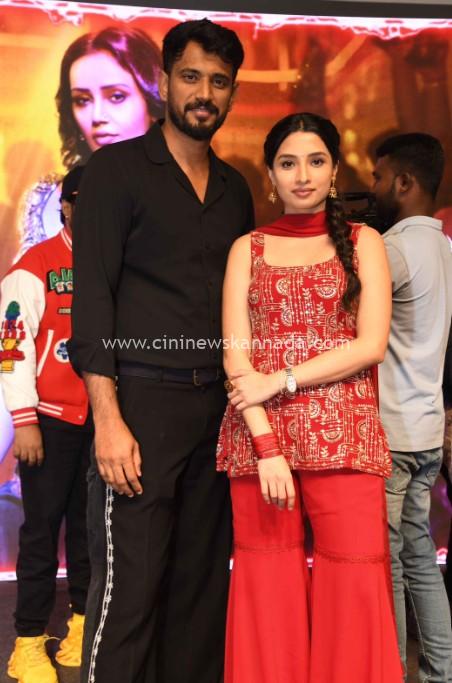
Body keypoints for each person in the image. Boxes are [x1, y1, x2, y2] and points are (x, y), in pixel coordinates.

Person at [67, 18, 254, 683]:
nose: (204, 93)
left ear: (231, 93)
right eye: (191, 76)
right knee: (129, 593)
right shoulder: (115, 171)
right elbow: (93, 300)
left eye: (219, 82)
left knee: (199, 592)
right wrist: (108, 419)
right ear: (165, 81)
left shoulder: (235, 189)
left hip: (218, 413)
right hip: (140, 405)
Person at [216, 112, 403, 683]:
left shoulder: (365, 242)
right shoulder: (246, 248)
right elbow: (236, 358)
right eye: (288, 163)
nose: (303, 176)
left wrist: (280, 379)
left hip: (347, 438)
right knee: (266, 588)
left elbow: (370, 345)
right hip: (259, 443)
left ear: (334, 169)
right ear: (271, 174)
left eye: (316, 161)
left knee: (354, 587)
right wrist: (267, 446)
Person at [0, 166, 93, 683]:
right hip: (49, 424)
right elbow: (11, 349)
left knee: (89, 531)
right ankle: (29, 642)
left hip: (101, 423)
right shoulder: (34, 266)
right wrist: (25, 422)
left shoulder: (117, 264)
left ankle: (81, 623)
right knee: (39, 535)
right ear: (66, 206)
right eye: (83, 200)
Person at [373, 133, 452, 682]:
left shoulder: (393, 250)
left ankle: (394, 672)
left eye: (379, 178)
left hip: (394, 434)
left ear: (403, 182)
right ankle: (440, 674)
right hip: (426, 431)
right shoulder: (445, 247)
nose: (373, 187)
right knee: (421, 559)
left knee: (389, 565)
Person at [19, 26, 163, 252]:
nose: (97, 116)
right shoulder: (44, 199)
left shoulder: (188, 199)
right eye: (82, 100)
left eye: (116, 97)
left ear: (153, 104)